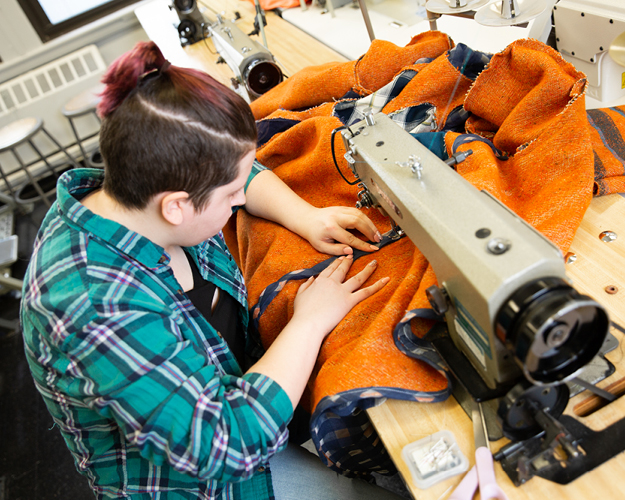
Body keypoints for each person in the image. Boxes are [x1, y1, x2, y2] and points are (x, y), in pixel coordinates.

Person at [20, 42, 402, 500]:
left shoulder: (138, 187)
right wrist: (308, 323)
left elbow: (238, 170)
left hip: (238, 406)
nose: (240, 200)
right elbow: (226, 443)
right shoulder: (93, 305)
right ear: (177, 207)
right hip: (207, 480)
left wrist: (305, 216)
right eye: (231, 196)